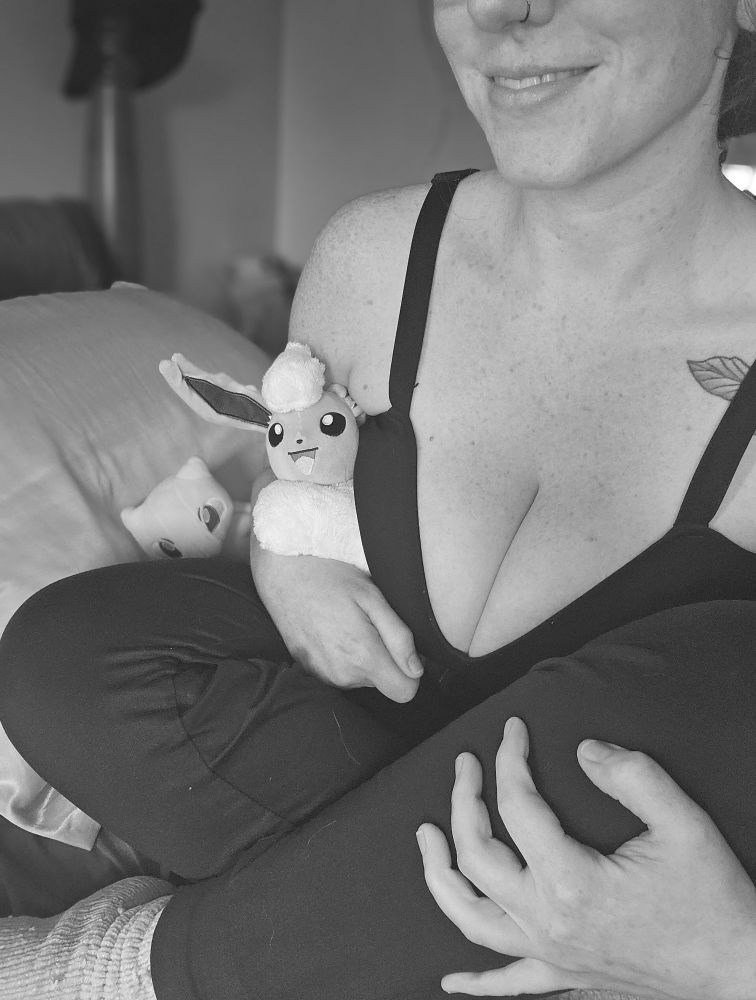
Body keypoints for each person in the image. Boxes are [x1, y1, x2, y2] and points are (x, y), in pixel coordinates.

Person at [1, 0, 756, 997]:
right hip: (371, 764)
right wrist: (285, 565)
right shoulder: (371, 257)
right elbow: (303, 483)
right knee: (71, 649)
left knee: (727, 674)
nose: (502, 12)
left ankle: (121, 972)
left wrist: (726, 957)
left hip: (639, 834)